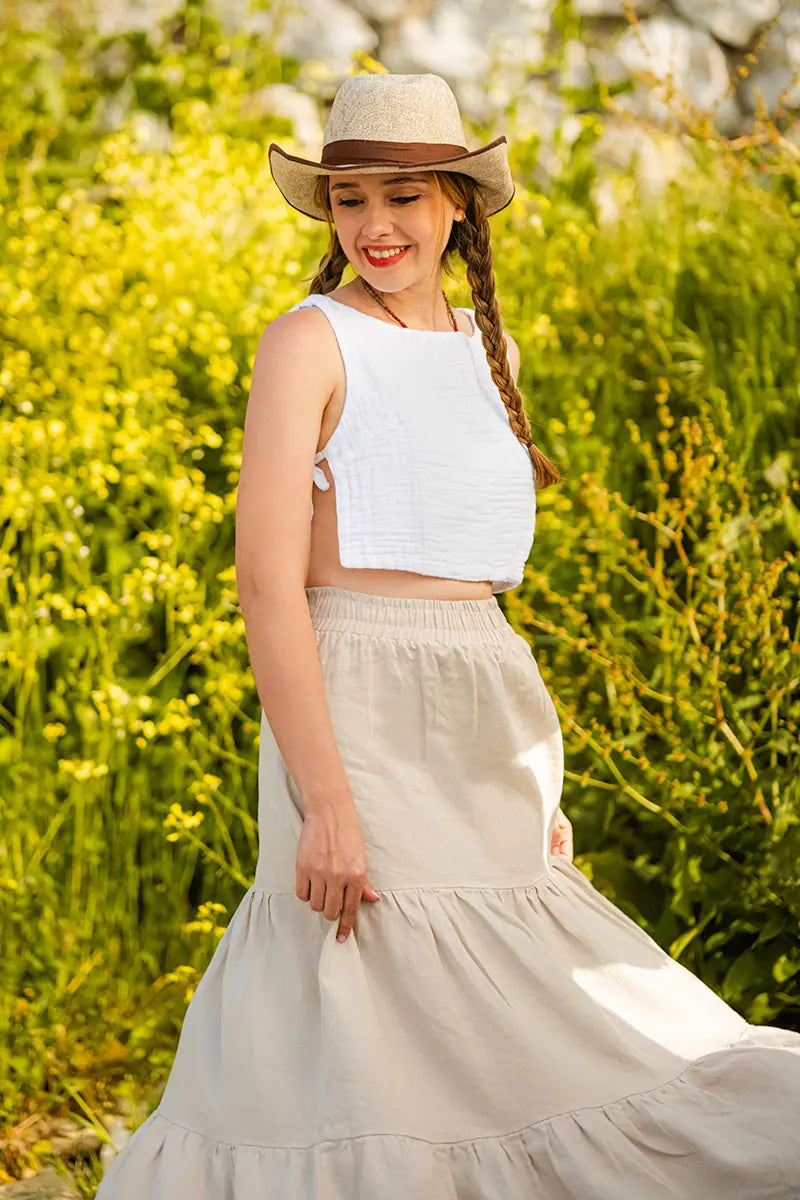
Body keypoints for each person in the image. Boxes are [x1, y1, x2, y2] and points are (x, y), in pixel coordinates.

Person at [96, 72, 800, 1199]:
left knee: (529, 1005)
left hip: (483, 711)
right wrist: (326, 800)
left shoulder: (492, 353)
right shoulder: (308, 343)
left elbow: (480, 601)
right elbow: (267, 585)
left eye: (403, 196)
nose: (375, 226)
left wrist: (537, 782)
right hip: (356, 707)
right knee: (357, 983)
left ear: (457, 203)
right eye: (350, 200)